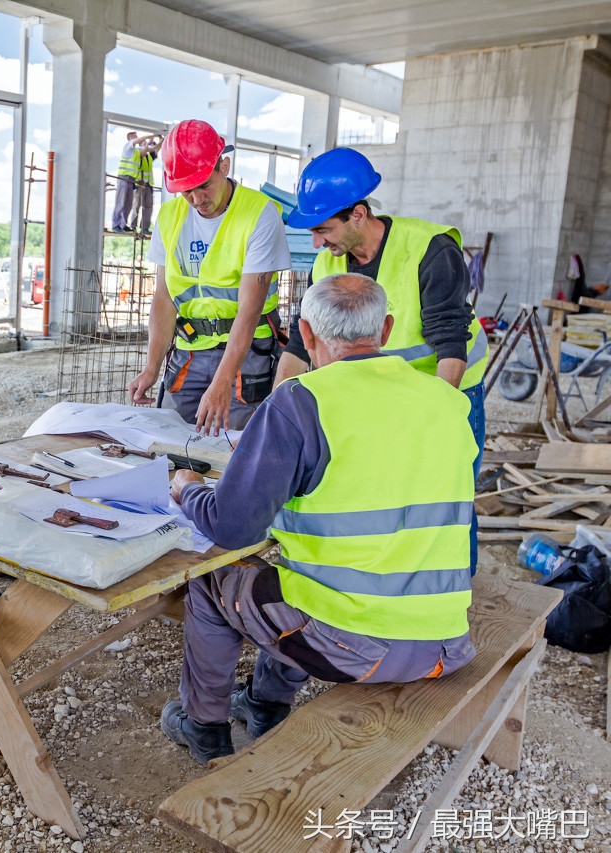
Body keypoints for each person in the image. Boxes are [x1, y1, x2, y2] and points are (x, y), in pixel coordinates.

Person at [159, 273, 478, 765]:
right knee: (295, 575)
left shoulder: (300, 401)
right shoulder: (447, 402)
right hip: (445, 640)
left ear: (304, 336)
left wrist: (189, 489)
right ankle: (264, 705)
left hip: (358, 645)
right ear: (388, 329)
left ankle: (204, 727)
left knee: (213, 579)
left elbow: (231, 527)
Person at [275, 147, 488, 573]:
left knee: (446, 495)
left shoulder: (429, 248)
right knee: (389, 491)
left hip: (444, 391)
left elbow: (451, 343)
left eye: (323, 229)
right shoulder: (325, 264)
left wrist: (438, 418)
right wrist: (275, 412)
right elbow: (302, 346)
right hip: (378, 397)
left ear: (357, 214)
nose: (317, 242)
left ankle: (457, 592)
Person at [127, 119, 291, 434]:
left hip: (247, 355)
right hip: (190, 350)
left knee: (233, 447)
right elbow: (164, 298)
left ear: (224, 166)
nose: (197, 199)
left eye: (204, 185)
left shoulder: (259, 214)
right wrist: (151, 369)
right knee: (168, 442)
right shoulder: (170, 217)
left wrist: (223, 381)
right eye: (186, 191)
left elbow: (249, 310)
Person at [111, 132, 156, 233]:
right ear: (131, 137)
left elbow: (149, 150)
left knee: (128, 204)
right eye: (135, 135)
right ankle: (116, 225)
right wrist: (150, 136)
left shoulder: (136, 150)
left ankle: (123, 225)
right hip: (124, 177)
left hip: (131, 179)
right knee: (121, 202)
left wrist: (153, 142)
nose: (138, 137)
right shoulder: (128, 146)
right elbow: (141, 140)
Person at [128, 134, 162, 237]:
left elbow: (156, 149)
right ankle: (133, 226)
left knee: (148, 207)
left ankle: (145, 228)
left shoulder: (149, 156)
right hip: (139, 184)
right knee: (136, 206)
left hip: (148, 185)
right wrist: (149, 141)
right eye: (144, 144)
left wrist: (160, 139)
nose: (147, 145)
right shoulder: (138, 153)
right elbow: (147, 149)